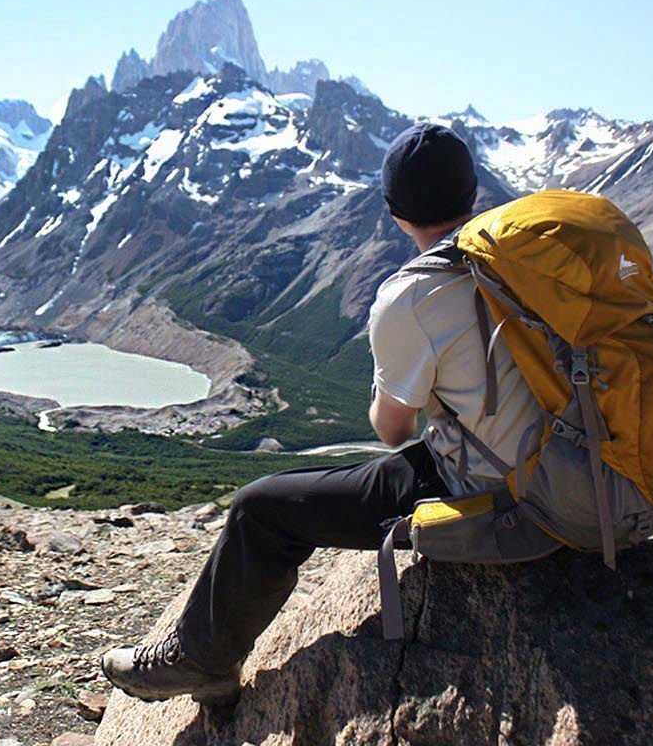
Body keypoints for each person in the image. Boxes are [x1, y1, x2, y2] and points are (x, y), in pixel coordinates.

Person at [100, 123, 541, 704]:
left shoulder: (415, 294)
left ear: (393, 210)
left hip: (508, 493)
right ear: (475, 193)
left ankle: (201, 660)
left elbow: (393, 430)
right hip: (598, 466)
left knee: (262, 507)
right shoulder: (535, 256)